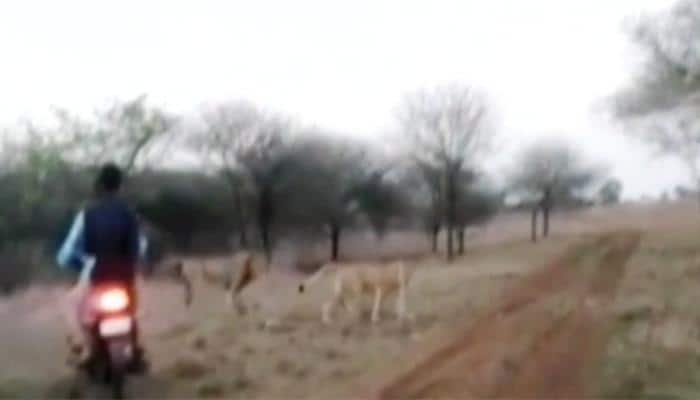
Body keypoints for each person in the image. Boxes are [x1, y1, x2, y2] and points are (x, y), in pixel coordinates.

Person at [56, 162, 149, 373]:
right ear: (120, 186)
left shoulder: (87, 214)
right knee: (132, 311)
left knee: (75, 307)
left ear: (99, 185)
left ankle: (88, 349)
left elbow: (67, 253)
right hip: (125, 277)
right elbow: (140, 247)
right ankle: (134, 348)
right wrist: (135, 264)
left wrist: (77, 265)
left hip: (97, 276)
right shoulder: (130, 214)